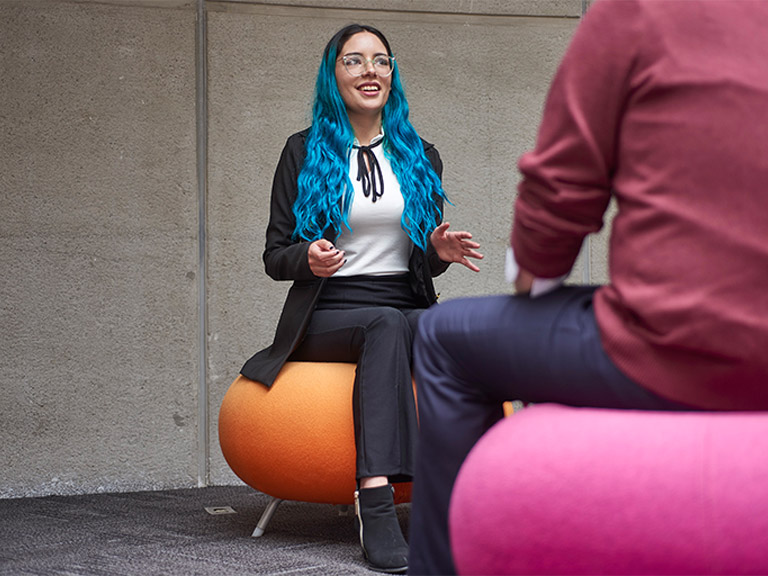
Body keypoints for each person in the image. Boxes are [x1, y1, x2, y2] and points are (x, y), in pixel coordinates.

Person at [406, 1, 768, 574]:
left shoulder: (639, 11)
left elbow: (562, 185)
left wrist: (532, 280)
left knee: (442, 336)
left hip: (675, 351)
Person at [239, 23, 482, 574]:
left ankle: (466, 498)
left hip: (406, 302)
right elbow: (275, 255)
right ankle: (376, 503)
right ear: (333, 76)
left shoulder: (420, 155)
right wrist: (309, 257)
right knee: (385, 325)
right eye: (354, 61)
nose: (370, 71)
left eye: (380, 61)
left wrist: (438, 249)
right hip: (329, 312)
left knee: (475, 331)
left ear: (392, 74)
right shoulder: (302, 151)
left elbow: (421, 265)